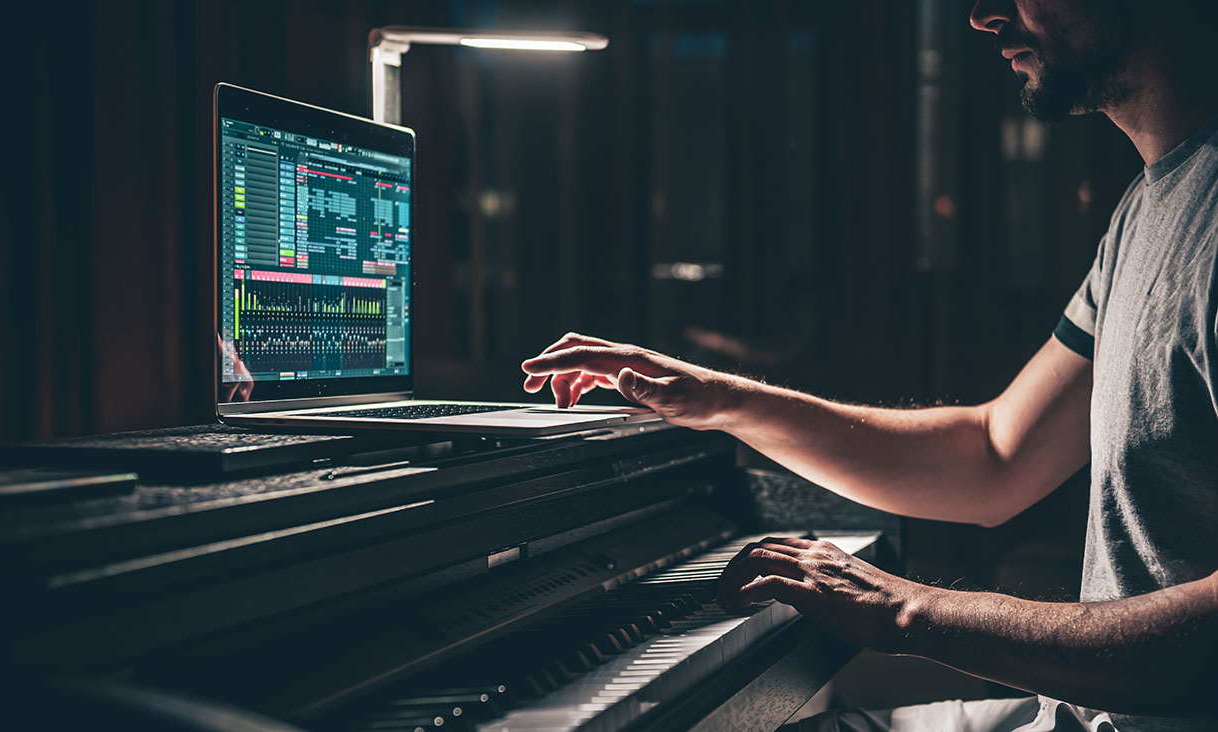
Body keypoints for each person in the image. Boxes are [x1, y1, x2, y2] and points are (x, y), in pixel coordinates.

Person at [519, 1, 1218, 730]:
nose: (982, 15)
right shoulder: (1147, 208)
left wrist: (906, 610)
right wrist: (721, 400)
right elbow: (995, 455)